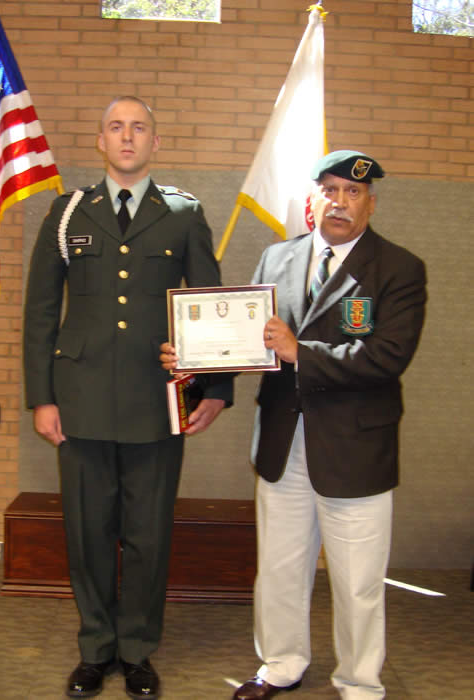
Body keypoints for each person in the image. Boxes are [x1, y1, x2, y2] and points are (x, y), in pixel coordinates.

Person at [161, 150, 427, 699]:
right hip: (284, 441)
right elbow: (250, 342)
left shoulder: (399, 269)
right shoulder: (277, 258)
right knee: (280, 568)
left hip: (355, 448)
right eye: (329, 190)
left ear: (370, 204)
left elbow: (387, 358)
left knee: (357, 581)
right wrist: (197, 358)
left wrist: (299, 350)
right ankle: (281, 663)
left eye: (352, 193)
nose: (339, 202)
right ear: (313, 199)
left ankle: (359, 682)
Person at [23, 95, 232, 700]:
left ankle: (138, 649)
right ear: (100, 140)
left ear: (155, 143)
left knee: (148, 532)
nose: (127, 136)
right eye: (116, 127)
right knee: (88, 532)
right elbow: (40, 313)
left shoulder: (183, 214)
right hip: (80, 399)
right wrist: (42, 397)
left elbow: (211, 305)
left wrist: (213, 390)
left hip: (157, 400)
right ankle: (96, 648)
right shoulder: (67, 214)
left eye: (139, 127)